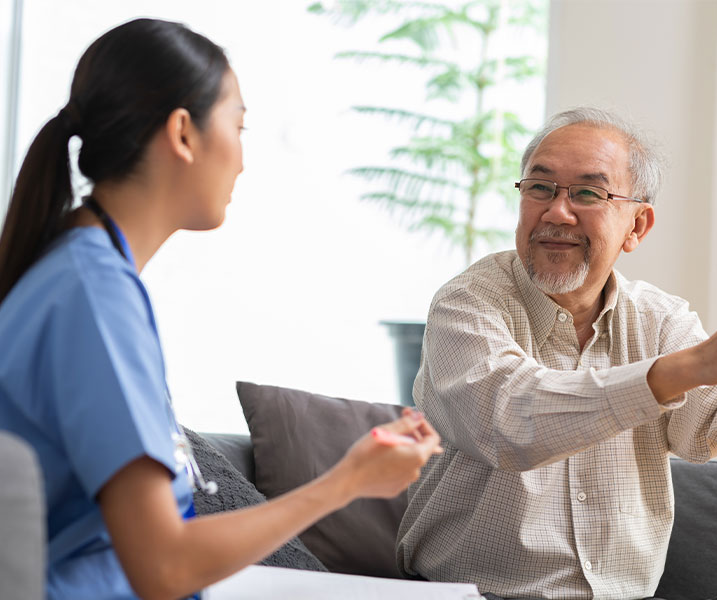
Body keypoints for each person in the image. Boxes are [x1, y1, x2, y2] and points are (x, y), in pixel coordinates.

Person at [0, 18, 442, 600]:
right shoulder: (94, 296)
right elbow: (163, 567)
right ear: (183, 133)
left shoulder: (78, 270)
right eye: (238, 126)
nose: (241, 160)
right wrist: (348, 482)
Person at [396, 107, 717, 600]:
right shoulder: (467, 303)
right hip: (480, 595)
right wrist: (688, 367)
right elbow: (510, 422)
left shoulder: (660, 318)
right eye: (540, 188)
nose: (556, 212)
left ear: (637, 226)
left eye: (588, 194)